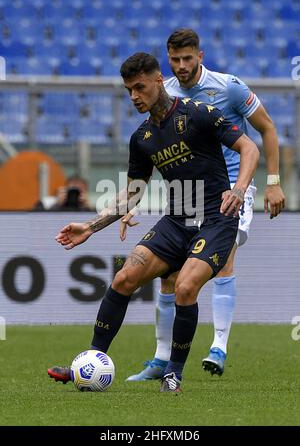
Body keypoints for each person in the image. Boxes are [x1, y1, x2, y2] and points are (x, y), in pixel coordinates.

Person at [48, 52, 259, 393]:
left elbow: (249, 148)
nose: (134, 96)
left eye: (139, 87)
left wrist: (239, 189)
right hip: (176, 221)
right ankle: (89, 362)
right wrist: (90, 227)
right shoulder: (142, 138)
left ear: (158, 80)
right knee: (124, 276)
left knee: (186, 286)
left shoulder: (199, 114)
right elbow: (132, 194)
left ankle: (173, 373)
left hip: (216, 221)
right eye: (128, 90)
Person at [120, 29, 285, 381]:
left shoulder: (229, 87)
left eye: (187, 59)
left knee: (222, 261)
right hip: (189, 195)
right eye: (175, 60)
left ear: (201, 56)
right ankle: (160, 359)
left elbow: (267, 129)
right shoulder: (167, 97)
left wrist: (272, 181)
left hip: (232, 190)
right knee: (170, 277)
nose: (181, 66)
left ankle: (219, 347)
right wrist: (130, 202)